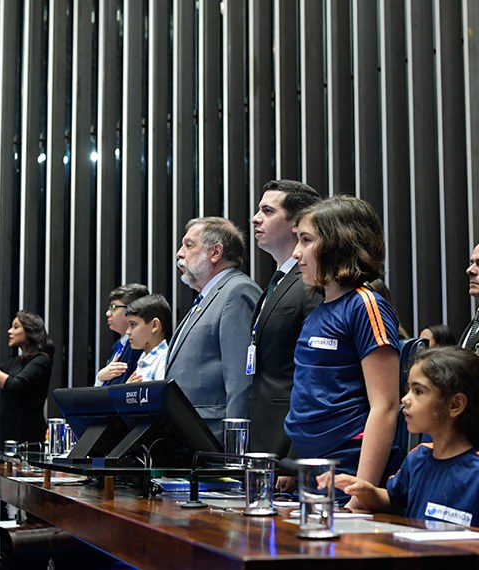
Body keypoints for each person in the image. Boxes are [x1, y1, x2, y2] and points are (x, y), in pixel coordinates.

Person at [285, 195, 402, 510]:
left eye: (306, 240)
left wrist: (359, 498)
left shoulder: (366, 305)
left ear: (339, 245)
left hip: (348, 476)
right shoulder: (318, 312)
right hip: (313, 473)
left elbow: (386, 406)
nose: (296, 253)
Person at [328, 347, 479, 529]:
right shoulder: (417, 458)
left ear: (455, 404)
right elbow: (392, 501)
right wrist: (367, 491)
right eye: (408, 390)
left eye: (418, 391)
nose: (405, 399)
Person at [164, 217, 262, 440]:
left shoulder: (237, 291)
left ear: (215, 252)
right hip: (190, 435)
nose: (180, 253)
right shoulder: (207, 297)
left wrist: (234, 447)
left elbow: (241, 380)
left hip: (215, 439)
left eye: (189, 245)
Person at [248, 180, 322, 458]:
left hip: (288, 442)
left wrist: (296, 453)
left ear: (296, 223)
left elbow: (315, 375)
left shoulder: (311, 284)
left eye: (267, 211)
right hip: (262, 436)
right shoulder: (277, 282)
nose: (256, 218)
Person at [0, 310, 55, 446]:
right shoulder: (16, 362)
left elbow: (14, 386)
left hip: (28, 438)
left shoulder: (41, 360)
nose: (9, 331)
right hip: (7, 436)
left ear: (30, 331)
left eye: (16, 327)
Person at [94, 283, 150, 386]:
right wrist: (100, 378)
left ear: (132, 309)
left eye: (113, 307)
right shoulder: (116, 346)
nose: (108, 313)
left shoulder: (139, 346)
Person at [125, 294, 172, 383]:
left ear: (154, 325)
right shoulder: (144, 357)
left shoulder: (165, 361)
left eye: (133, 325)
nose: (128, 331)